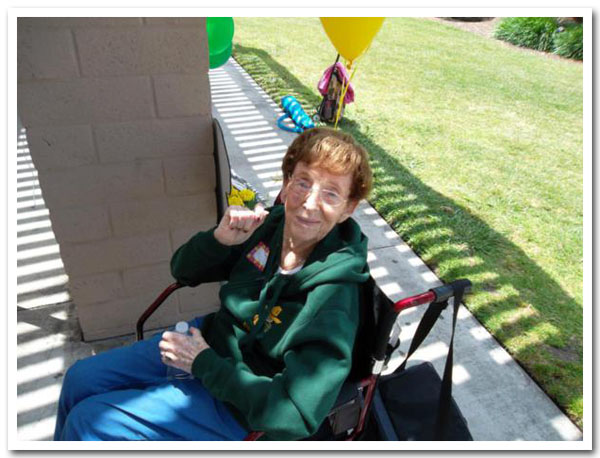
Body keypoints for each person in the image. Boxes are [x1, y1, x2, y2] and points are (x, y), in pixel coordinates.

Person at [54, 127, 373, 441]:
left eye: (331, 193)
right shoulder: (270, 225)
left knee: (90, 422)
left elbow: (295, 414)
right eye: (303, 182)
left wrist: (203, 364)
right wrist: (219, 240)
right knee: (79, 379)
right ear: (287, 183)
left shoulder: (333, 301)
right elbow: (182, 271)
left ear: (348, 208)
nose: (310, 202)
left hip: (237, 403)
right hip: (206, 342)